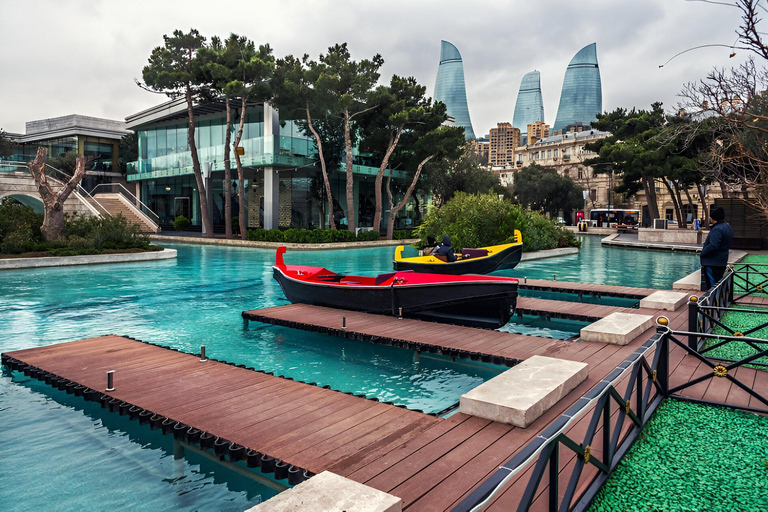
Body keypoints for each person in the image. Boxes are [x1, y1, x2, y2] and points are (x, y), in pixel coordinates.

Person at [700, 207, 734, 290]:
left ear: (713, 218)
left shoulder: (717, 229)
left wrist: (703, 253)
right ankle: (717, 300)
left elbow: (713, 246)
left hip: (712, 262)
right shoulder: (727, 227)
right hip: (721, 260)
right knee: (718, 283)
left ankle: (713, 302)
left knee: (713, 285)